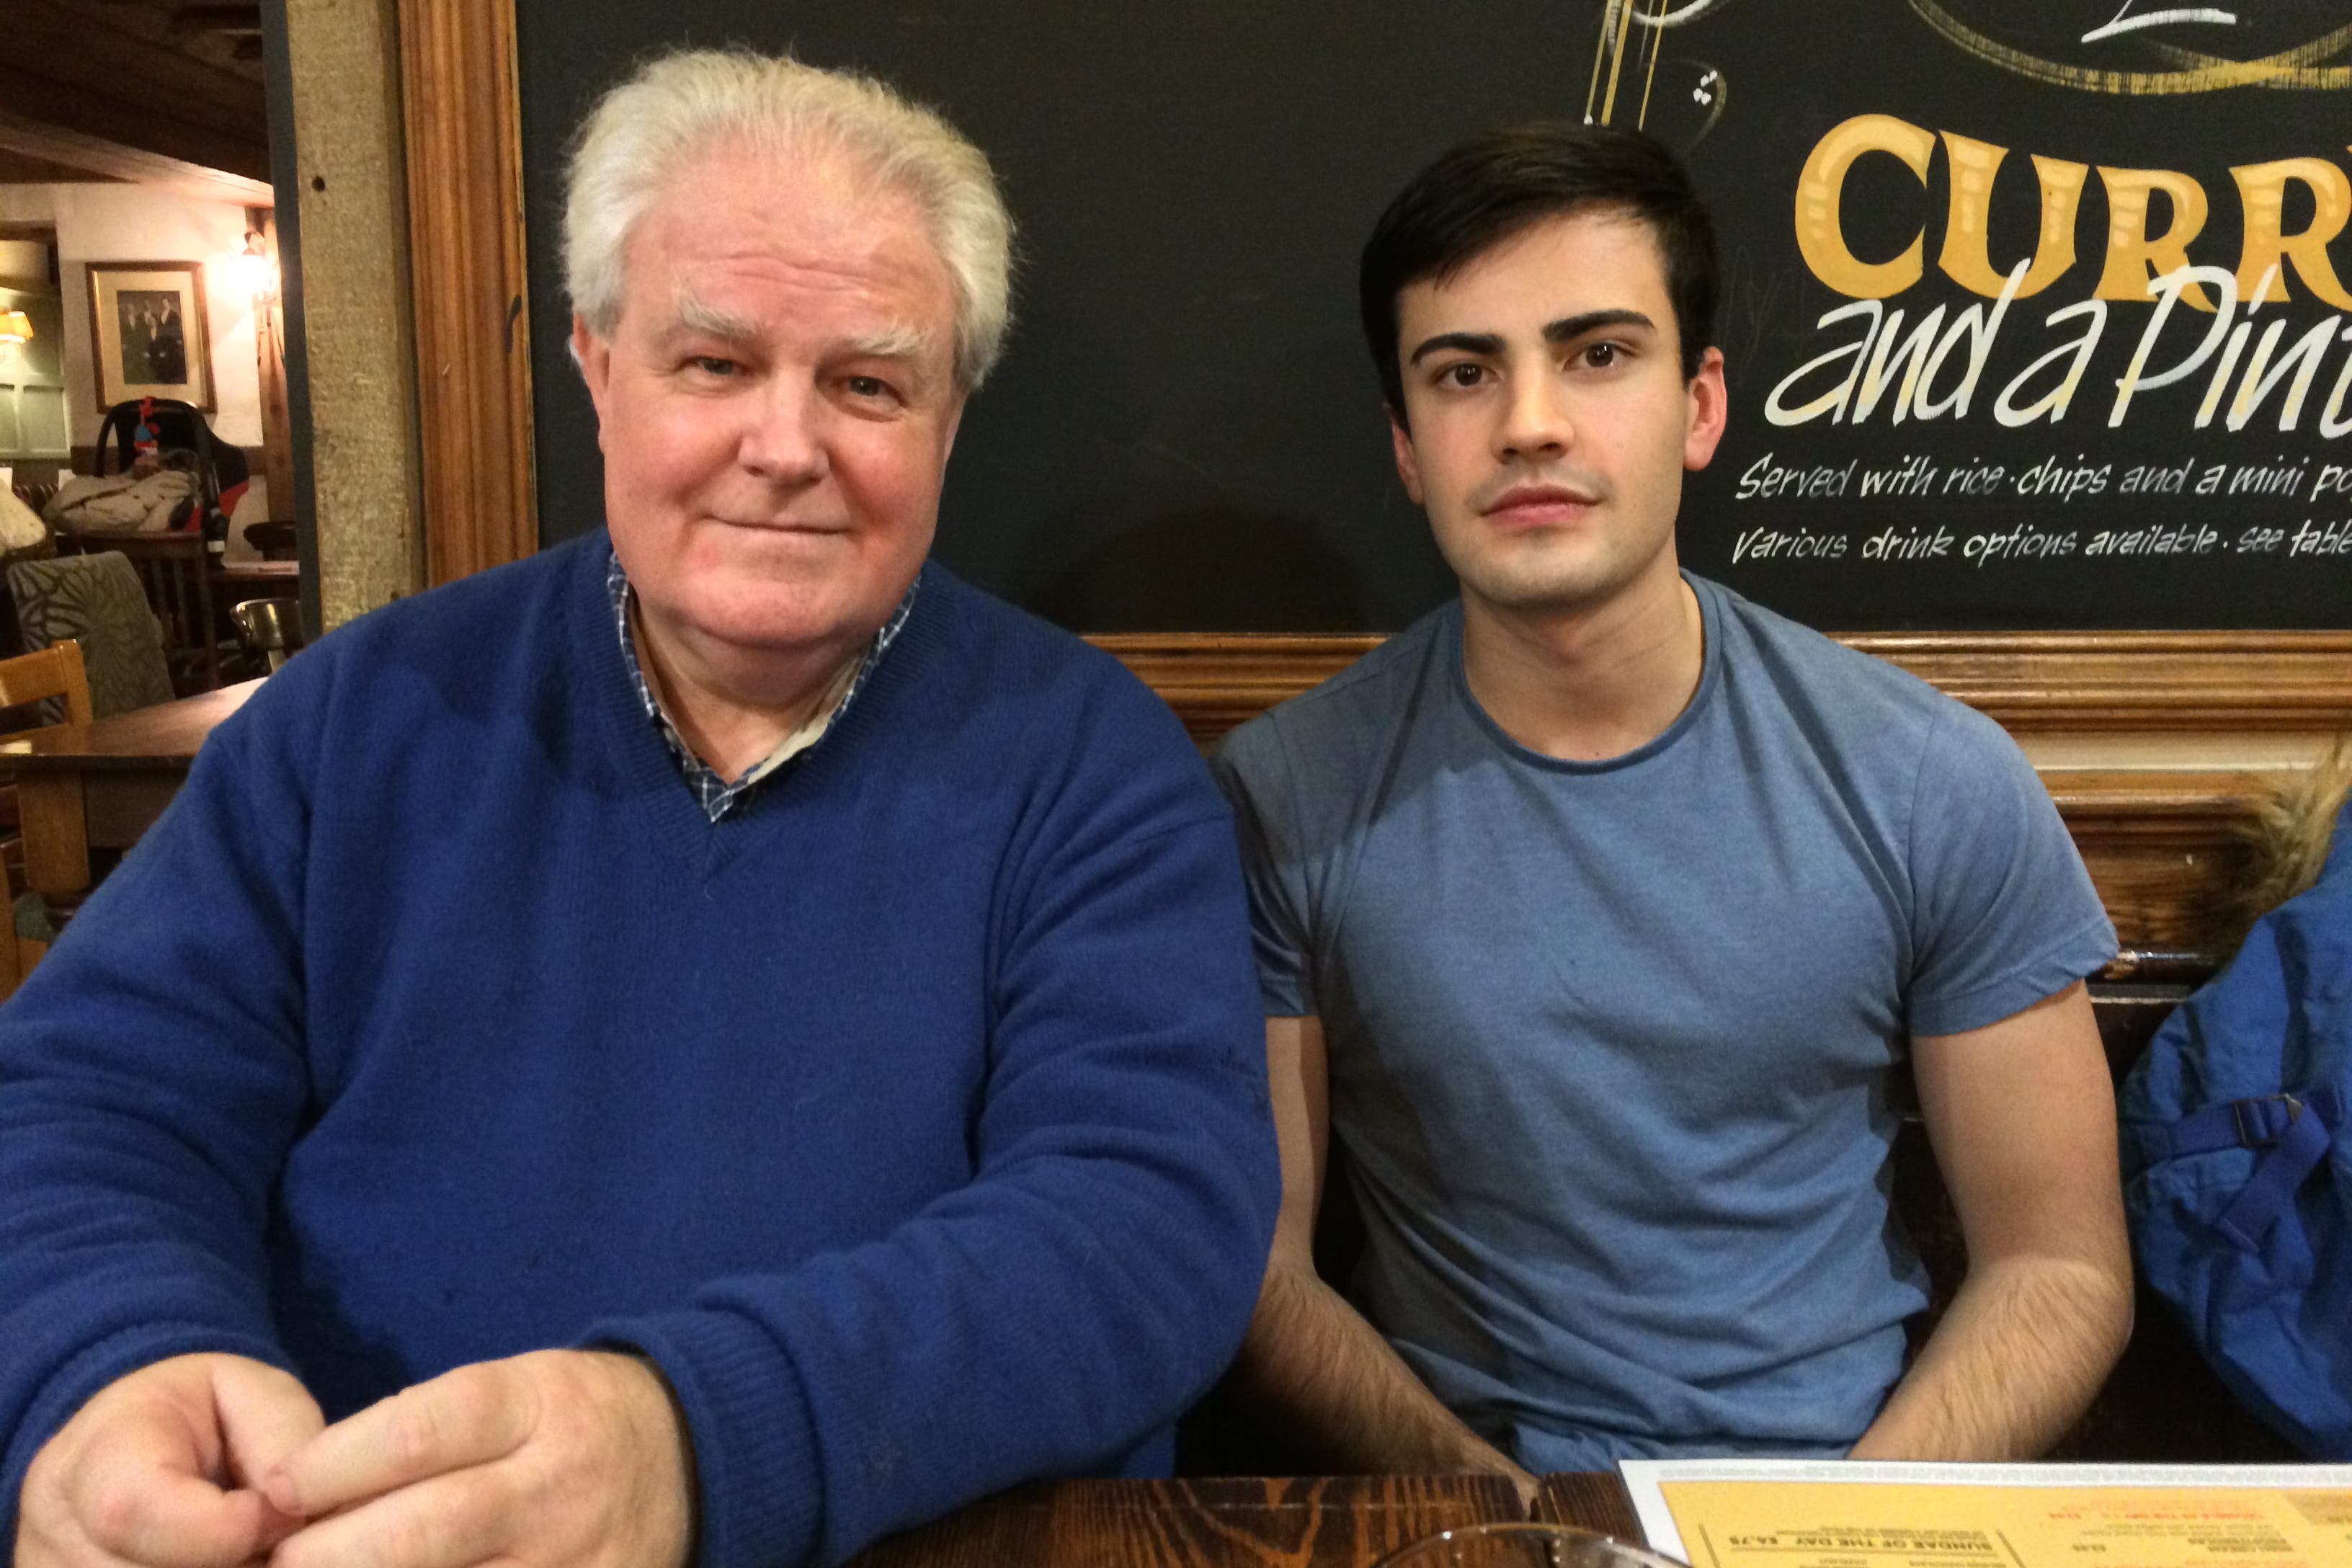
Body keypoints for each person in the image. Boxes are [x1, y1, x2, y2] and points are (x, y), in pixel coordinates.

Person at [0, 49, 1278, 1568]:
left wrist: (691, 1437)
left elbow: (1145, 1226)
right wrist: (112, 1358)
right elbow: (86, 1105)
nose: (787, 445)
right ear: (599, 368)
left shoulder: (1099, 770)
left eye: (867, 382)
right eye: (715, 363)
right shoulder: (354, 721)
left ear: (947, 420)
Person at [1212, 124, 2133, 1487]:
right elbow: (1259, 1275)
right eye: (1465, 373)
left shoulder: (1931, 779)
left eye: (1598, 354)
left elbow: (2057, 1268)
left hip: (1843, 1490)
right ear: (1407, 447)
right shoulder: (1283, 796)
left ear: (1701, 405)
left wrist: (1843, 1532)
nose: (1530, 421)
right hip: (1470, 1505)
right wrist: (1515, 1518)